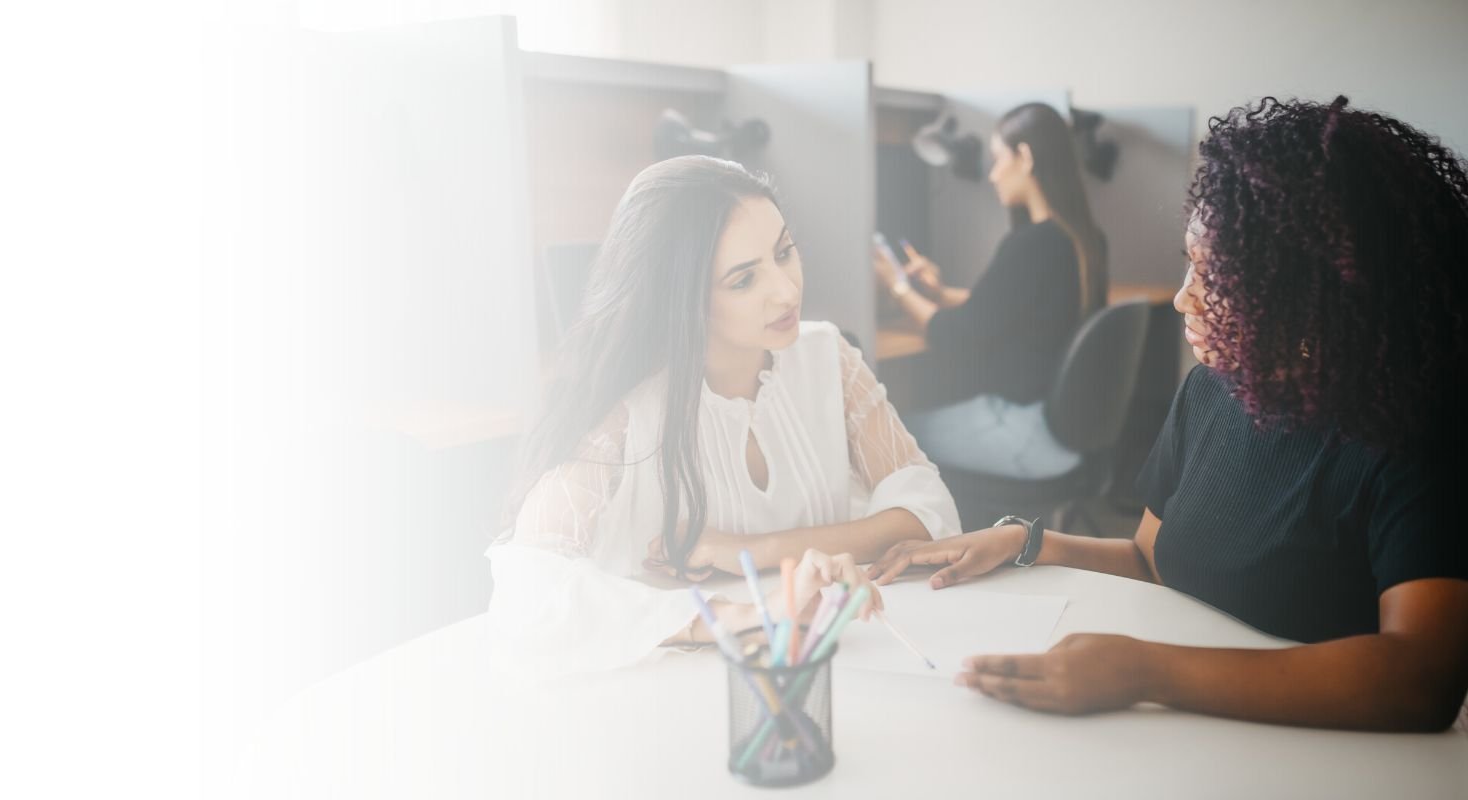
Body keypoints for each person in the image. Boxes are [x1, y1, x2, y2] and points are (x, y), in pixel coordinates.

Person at [868, 96, 1468, 732]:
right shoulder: (1211, 390)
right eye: (1190, 265)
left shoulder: (1413, 430)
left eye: (1217, 279)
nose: (1183, 297)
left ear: (1308, 296)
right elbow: (1150, 560)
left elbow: (1420, 680)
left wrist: (1147, 671)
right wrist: (1024, 542)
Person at [488, 156, 960, 677]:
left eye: (785, 252)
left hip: (826, 667)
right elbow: (527, 590)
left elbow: (928, 513)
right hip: (665, 690)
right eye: (743, 280)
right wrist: (743, 615)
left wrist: (751, 552)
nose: (785, 291)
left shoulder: (829, 358)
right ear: (680, 298)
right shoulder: (624, 410)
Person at [874, 102, 1110, 482]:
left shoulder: (1033, 244)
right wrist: (937, 292)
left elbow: (956, 335)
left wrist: (896, 285)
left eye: (1000, 159)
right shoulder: (1082, 239)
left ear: (1026, 157)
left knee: (888, 435)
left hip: (1025, 434)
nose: (994, 175)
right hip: (1063, 432)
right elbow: (1006, 307)